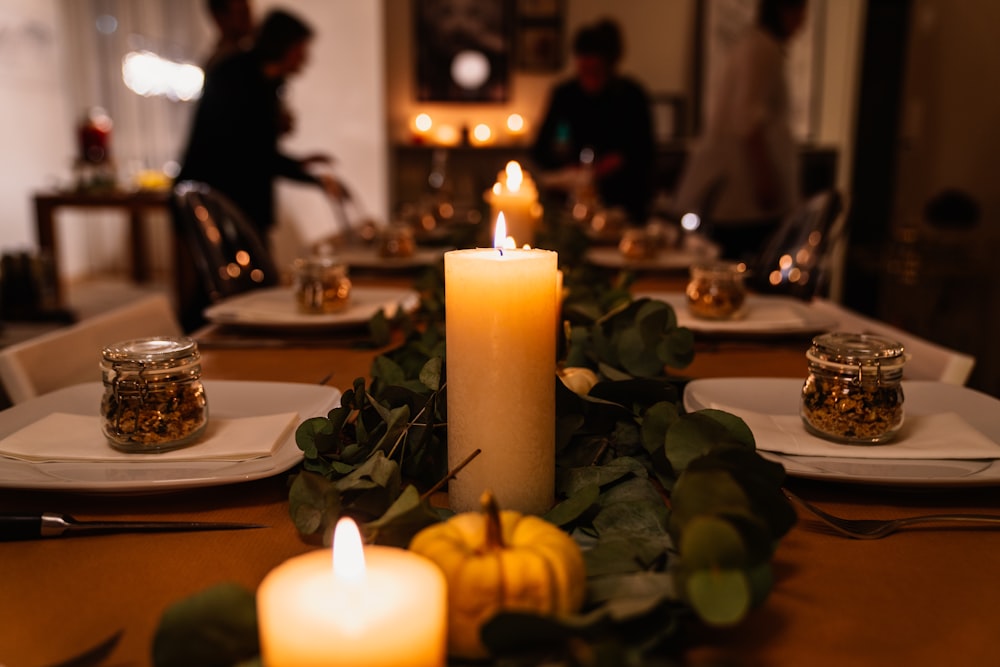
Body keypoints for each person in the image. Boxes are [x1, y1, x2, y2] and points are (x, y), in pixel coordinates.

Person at [177, 8, 340, 242]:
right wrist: (313, 179)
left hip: (241, 200)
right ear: (284, 45)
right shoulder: (236, 75)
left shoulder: (266, 82)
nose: (305, 58)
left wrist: (301, 164)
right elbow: (249, 153)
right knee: (235, 276)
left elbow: (256, 147)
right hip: (221, 200)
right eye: (300, 49)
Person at [674, 0, 808, 261]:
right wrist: (765, 180)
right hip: (743, 193)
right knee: (743, 264)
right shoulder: (761, 48)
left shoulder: (758, 47)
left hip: (744, 193)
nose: (802, 22)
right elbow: (748, 119)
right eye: (799, 12)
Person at [531, 18, 654, 225]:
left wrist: (611, 164)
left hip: (620, 204)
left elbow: (643, 152)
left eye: (595, 72)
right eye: (584, 71)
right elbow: (540, 148)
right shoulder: (564, 95)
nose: (589, 78)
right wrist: (568, 172)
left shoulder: (631, 96)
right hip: (567, 206)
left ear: (609, 65)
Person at [203, 0, 254, 73]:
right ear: (220, 18)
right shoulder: (223, 63)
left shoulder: (243, 51)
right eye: (242, 14)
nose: (250, 19)